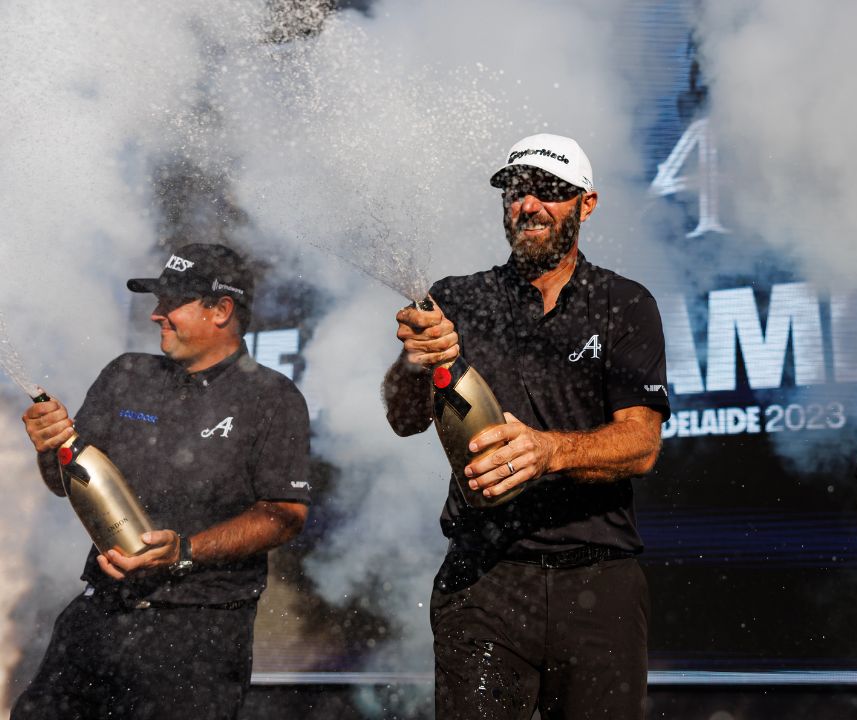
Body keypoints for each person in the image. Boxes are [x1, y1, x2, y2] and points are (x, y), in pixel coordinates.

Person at [382, 133, 670, 719]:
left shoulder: (624, 302)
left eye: (550, 192)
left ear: (586, 205)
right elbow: (403, 418)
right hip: (483, 579)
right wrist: (413, 362)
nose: (529, 205)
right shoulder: (456, 298)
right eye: (517, 191)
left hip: (599, 579)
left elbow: (641, 444)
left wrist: (546, 451)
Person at [15, 243, 311, 720]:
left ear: (222, 310)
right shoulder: (125, 374)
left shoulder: (273, 398)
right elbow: (64, 482)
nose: (156, 315)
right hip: (99, 615)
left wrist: (184, 550)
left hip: (199, 635)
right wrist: (51, 446)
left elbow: (284, 516)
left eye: (170, 302)